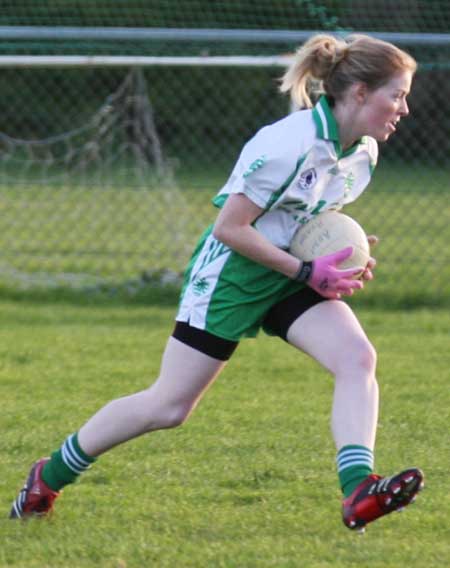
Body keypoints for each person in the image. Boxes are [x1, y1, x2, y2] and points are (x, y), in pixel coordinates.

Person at [10, 33, 424, 532]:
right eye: (396, 94)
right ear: (359, 92)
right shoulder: (287, 143)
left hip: (289, 271)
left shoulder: (363, 154)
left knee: (357, 358)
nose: (404, 107)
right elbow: (231, 229)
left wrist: (343, 256)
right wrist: (304, 270)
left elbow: (314, 218)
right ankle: (45, 477)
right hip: (232, 274)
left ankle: (358, 489)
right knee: (169, 405)